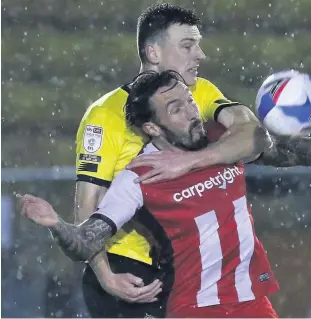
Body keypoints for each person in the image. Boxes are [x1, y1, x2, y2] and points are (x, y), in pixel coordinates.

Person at [19, 70, 311, 318]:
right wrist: (57, 225)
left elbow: (287, 150)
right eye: (175, 109)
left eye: (189, 101)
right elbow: (86, 240)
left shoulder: (222, 141)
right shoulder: (136, 178)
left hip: (251, 302)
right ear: (153, 129)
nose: (192, 111)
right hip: (194, 308)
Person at [74, 4, 272, 317]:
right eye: (187, 45)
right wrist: (106, 277)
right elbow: (87, 205)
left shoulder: (200, 92)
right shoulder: (103, 114)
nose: (200, 55)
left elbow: (254, 136)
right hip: (126, 269)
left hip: (179, 269)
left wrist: (190, 162)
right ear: (153, 52)